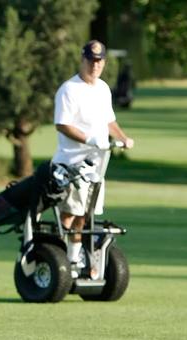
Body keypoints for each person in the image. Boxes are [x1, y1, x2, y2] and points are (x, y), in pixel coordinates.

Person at [52, 40, 135, 277]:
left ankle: (74, 260)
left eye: (99, 61)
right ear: (83, 59)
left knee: (85, 216)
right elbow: (62, 124)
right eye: (91, 60)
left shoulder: (103, 89)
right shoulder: (69, 89)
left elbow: (109, 121)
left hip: (97, 167)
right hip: (71, 165)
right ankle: (61, 263)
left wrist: (123, 138)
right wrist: (90, 139)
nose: (95, 65)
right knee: (69, 215)